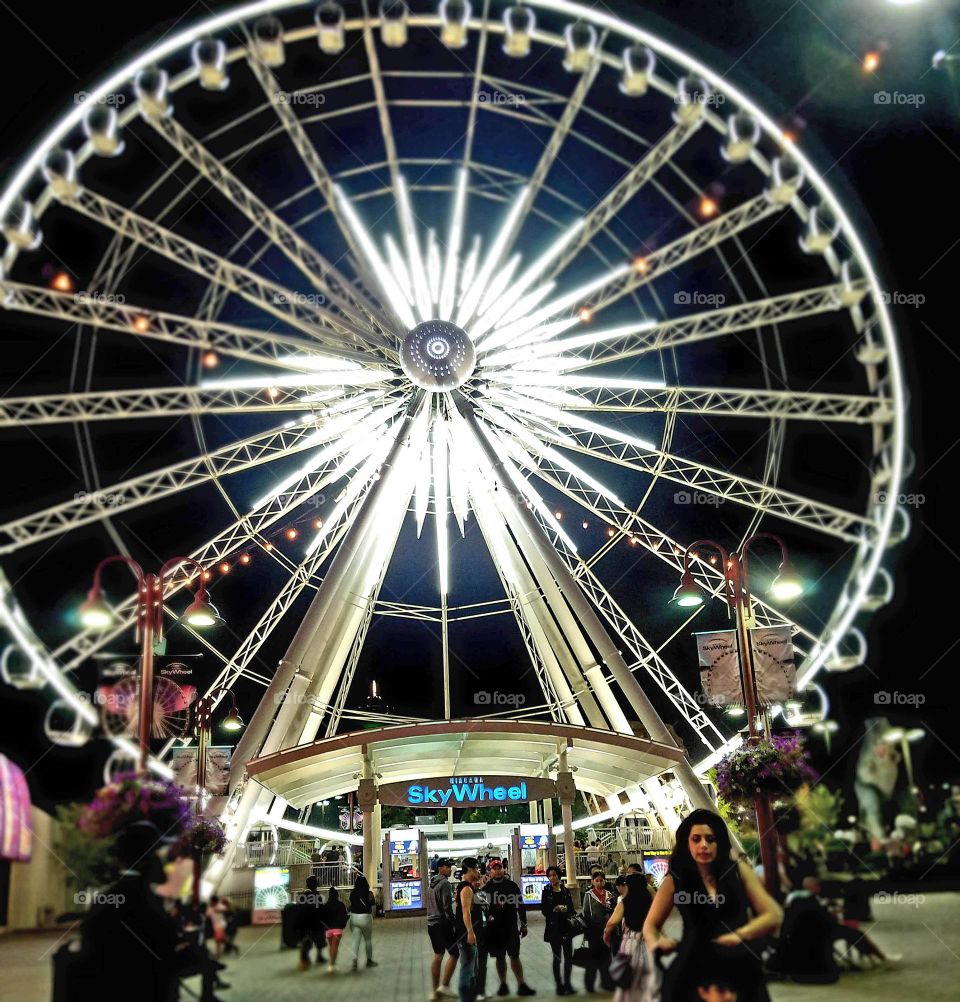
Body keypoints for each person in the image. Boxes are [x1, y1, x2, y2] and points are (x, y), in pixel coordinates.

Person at [643, 809, 783, 1002]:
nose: (704, 845)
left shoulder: (738, 871)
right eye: (696, 839)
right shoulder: (675, 879)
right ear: (687, 844)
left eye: (710, 839)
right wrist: (656, 942)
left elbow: (773, 914)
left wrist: (740, 935)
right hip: (693, 963)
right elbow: (650, 925)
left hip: (739, 962)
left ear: (720, 843)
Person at [73, 820, 183, 1002]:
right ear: (147, 858)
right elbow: (166, 951)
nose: (162, 859)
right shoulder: (144, 899)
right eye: (157, 852)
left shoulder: (107, 897)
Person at [477, 859, 536, 998]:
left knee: (514, 956)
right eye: (495, 868)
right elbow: (482, 909)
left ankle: (521, 984)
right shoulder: (486, 889)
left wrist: (524, 924)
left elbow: (520, 905)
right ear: (490, 871)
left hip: (511, 928)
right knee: (500, 957)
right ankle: (503, 984)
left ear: (503, 869)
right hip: (494, 930)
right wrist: (486, 922)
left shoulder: (512, 886)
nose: (498, 871)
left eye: (500, 868)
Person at [603, 872, 657, 1002]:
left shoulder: (625, 902)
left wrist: (606, 935)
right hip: (649, 942)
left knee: (629, 981)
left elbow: (611, 923)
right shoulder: (652, 901)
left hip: (631, 943)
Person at [540, 865, 575, 996]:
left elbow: (572, 909)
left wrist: (565, 909)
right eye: (549, 876)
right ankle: (559, 985)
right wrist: (554, 909)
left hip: (566, 927)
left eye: (554, 875)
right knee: (557, 957)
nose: (552, 878)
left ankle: (568, 984)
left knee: (568, 957)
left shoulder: (565, 890)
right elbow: (544, 910)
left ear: (558, 876)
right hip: (553, 928)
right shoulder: (546, 891)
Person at [428, 857, 459, 999]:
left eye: (450, 867)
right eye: (447, 867)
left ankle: (435, 991)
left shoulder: (432, 882)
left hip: (431, 924)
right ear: (440, 868)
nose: (450, 869)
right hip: (442, 923)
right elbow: (447, 907)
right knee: (454, 953)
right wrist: (454, 922)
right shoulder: (445, 883)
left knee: (438, 955)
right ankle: (444, 986)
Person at [455, 857, 484, 1002]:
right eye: (477, 869)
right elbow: (466, 912)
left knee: (472, 967)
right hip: (466, 934)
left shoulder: (467, 886)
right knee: (467, 968)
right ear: (471, 870)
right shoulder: (466, 888)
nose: (478, 872)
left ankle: (471, 996)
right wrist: (470, 933)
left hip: (467, 932)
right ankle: (466, 997)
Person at [583, 870, 616, 992]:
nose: (599, 882)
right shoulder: (588, 895)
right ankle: (590, 984)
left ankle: (606, 982)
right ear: (592, 882)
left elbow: (614, 911)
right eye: (596, 880)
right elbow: (586, 912)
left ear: (604, 881)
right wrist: (587, 931)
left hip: (606, 930)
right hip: (593, 930)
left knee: (607, 957)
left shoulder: (609, 895)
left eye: (601, 880)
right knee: (593, 957)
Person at [296, 875, 326, 970]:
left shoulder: (302, 895)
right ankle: (319, 956)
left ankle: (305, 959)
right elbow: (321, 909)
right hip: (315, 922)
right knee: (319, 940)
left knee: (306, 941)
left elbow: (299, 909)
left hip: (305, 923)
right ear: (315, 885)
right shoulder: (317, 895)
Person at [349, 873, 377, 970]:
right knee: (367, 940)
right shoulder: (368, 893)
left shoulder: (352, 894)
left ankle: (354, 962)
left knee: (355, 941)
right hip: (366, 918)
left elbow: (351, 903)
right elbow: (373, 903)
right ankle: (369, 960)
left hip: (354, 917)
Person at [323, 885, 348, 972]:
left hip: (328, 930)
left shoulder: (326, 906)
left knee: (331, 947)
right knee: (335, 947)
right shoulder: (341, 905)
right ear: (337, 895)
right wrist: (342, 926)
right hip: (337, 929)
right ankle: (331, 964)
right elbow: (344, 917)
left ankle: (332, 963)